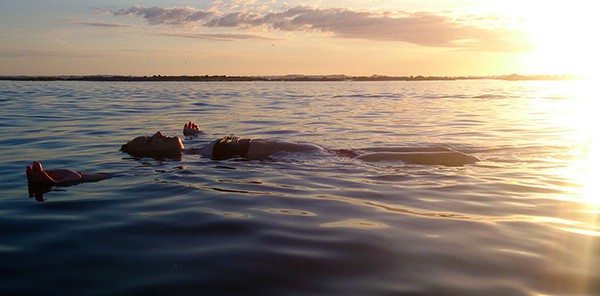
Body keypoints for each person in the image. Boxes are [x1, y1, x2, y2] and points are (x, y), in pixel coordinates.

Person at [121, 122, 479, 165]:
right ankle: (464, 162)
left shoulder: (199, 147)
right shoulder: (194, 163)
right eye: (149, 141)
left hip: (328, 150)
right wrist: (74, 178)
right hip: (321, 160)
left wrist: (197, 135)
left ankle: (458, 158)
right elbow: (104, 174)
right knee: (455, 158)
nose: (156, 134)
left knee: (445, 148)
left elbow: (198, 142)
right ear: (154, 156)